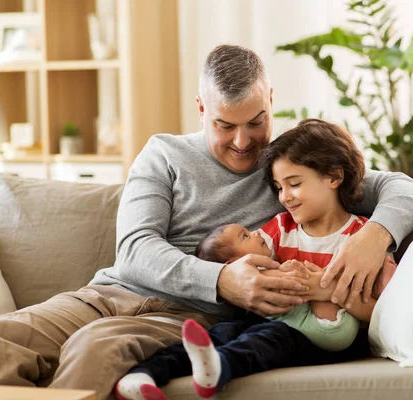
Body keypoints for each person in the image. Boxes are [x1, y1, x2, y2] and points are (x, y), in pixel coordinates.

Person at [0, 44, 413, 400]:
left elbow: (407, 189)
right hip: (105, 295)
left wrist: (375, 234)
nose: (243, 142)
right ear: (201, 108)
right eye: (225, 125)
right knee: (0, 340)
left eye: (256, 122)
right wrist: (222, 278)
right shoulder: (164, 154)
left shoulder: (290, 168)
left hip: (184, 316)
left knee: (95, 349)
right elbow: (135, 249)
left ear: (270, 101)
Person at [115, 119, 398, 400]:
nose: (285, 197)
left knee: (267, 340)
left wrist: (321, 288)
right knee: (225, 332)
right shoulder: (279, 229)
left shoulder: (364, 239)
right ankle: (145, 374)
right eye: (278, 187)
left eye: (295, 184)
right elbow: (243, 263)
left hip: (328, 339)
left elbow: (382, 312)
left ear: (334, 177)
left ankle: (220, 368)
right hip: (280, 322)